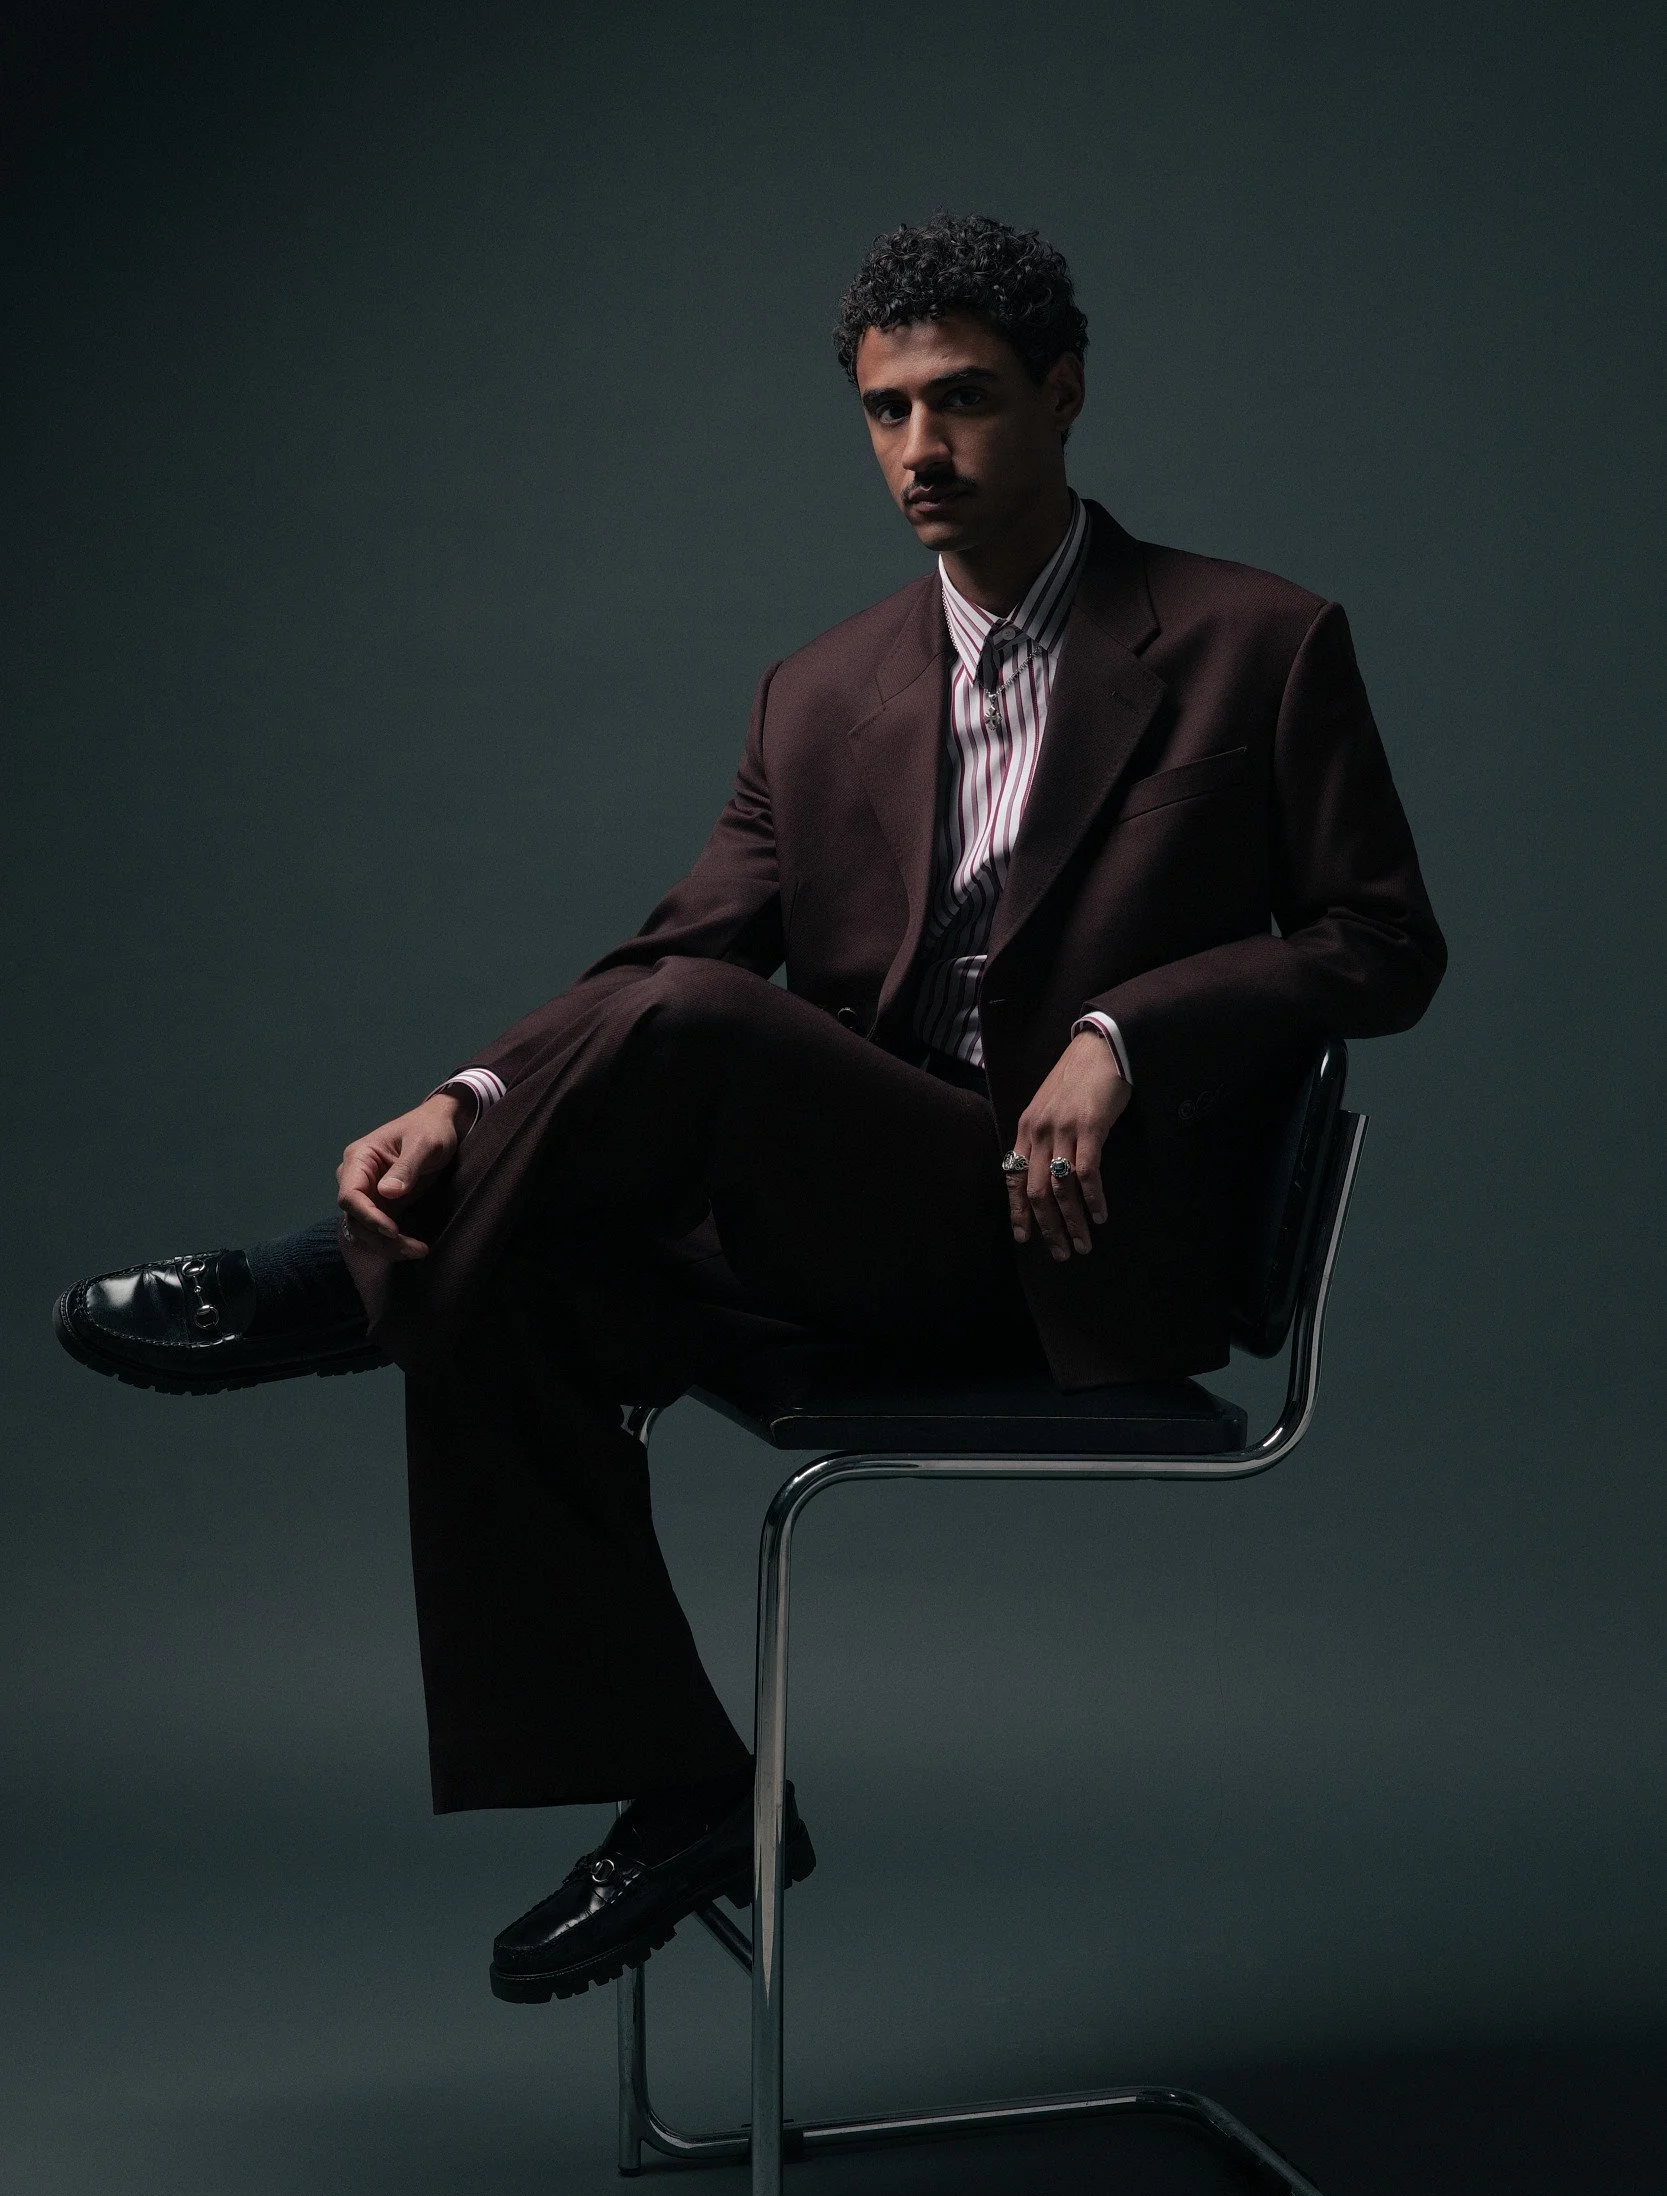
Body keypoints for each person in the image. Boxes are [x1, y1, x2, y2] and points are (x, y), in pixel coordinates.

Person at [54, 214, 1447, 2006]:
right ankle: (696, 1794)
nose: (921, 454)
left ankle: (338, 1284)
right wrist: (459, 1096)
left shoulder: (1256, 643)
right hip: (851, 1229)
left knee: (680, 1056)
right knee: (523, 1271)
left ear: (1066, 393)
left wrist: (1126, 1029)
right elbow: (672, 948)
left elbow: (1382, 943)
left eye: (962, 402)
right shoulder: (818, 695)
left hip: (1071, 1257)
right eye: (884, 414)